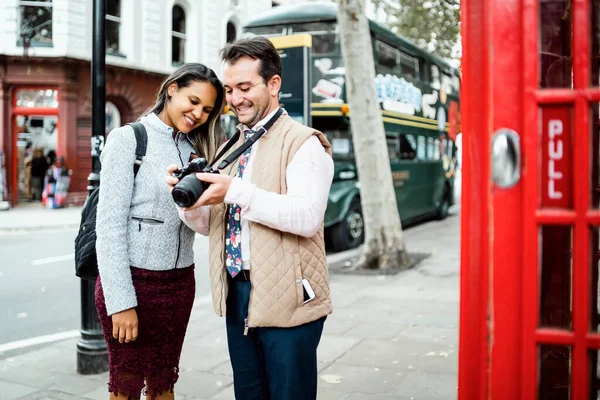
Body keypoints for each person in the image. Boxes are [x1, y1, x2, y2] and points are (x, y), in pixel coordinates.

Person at [166, 37, 334, 400]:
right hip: (237, 293)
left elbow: (307, 217)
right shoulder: (232, 145)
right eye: (229, 89)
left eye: (244, 87)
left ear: (273, 85)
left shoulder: (304, 143)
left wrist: (234, 190)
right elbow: (213, 225)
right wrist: (186, 201)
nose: (235, 98)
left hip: (289, 298)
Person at [95, 63, 225, 400]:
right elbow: (108, 227)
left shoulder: (196, 149)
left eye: (207, 109)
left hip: (180, 285)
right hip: (133, 285)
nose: (198, 113)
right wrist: (120, 302)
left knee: (164, 384)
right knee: (125, 387)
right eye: (193, 101)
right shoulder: (128, 139)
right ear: (172, 90)